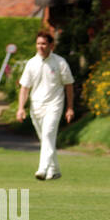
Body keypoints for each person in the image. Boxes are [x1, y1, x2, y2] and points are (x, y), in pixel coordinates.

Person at [16, 29, 75, 181]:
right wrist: (21, 108)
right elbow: (24, 88)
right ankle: (54, 170)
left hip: (54, 104)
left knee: (48, 134)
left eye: (43, 44)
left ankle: (42, 169)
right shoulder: (31, 63)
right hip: (36, 107)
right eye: (38, 44)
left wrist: (70, 107)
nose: (40, 46)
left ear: (51, 45)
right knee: (45, 139)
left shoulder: (60, 62)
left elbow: (69, 85)